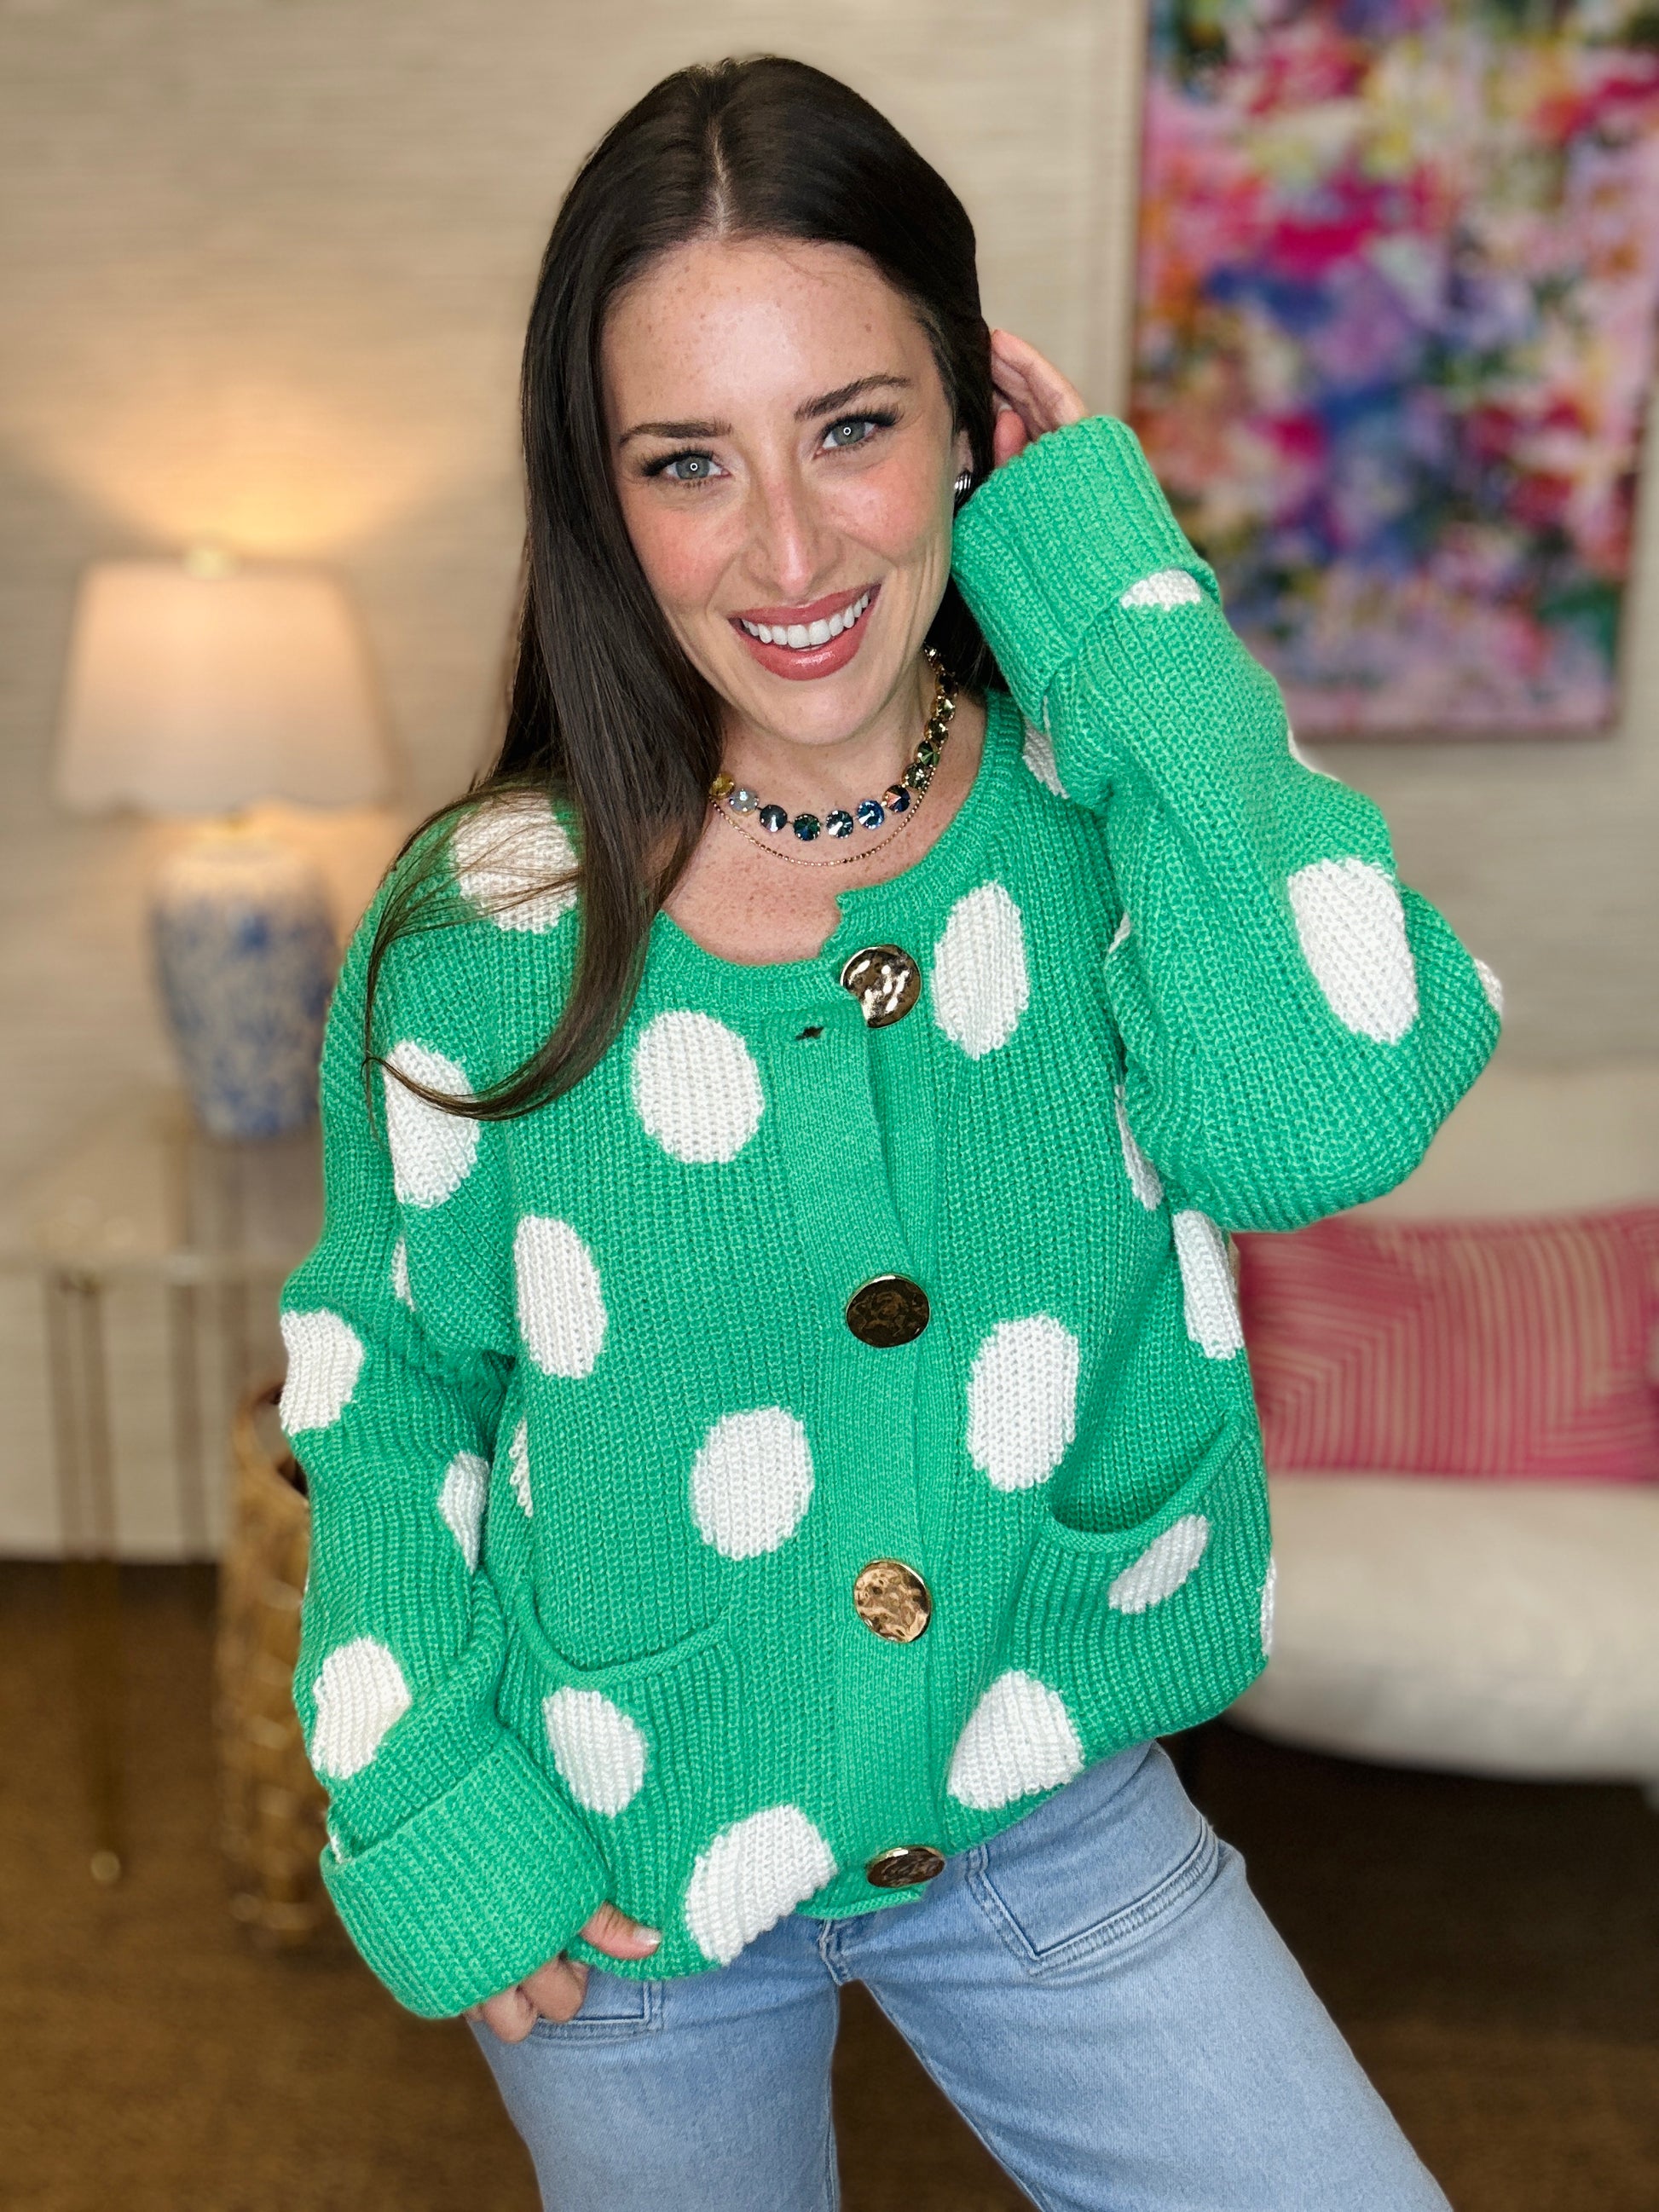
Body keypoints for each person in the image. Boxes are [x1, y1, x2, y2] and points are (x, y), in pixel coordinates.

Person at [275, 54, 1498, 2212]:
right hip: (632, 1849)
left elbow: (1319, 1112)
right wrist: (431, 1794)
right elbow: (384, 1387)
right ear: (602, 495)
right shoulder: (486, 926)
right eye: (686, 463)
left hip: (1052, 1802)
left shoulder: (1100, 814)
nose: (786, 548)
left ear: (968, 422)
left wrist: (1112, 590)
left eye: (851, 426)